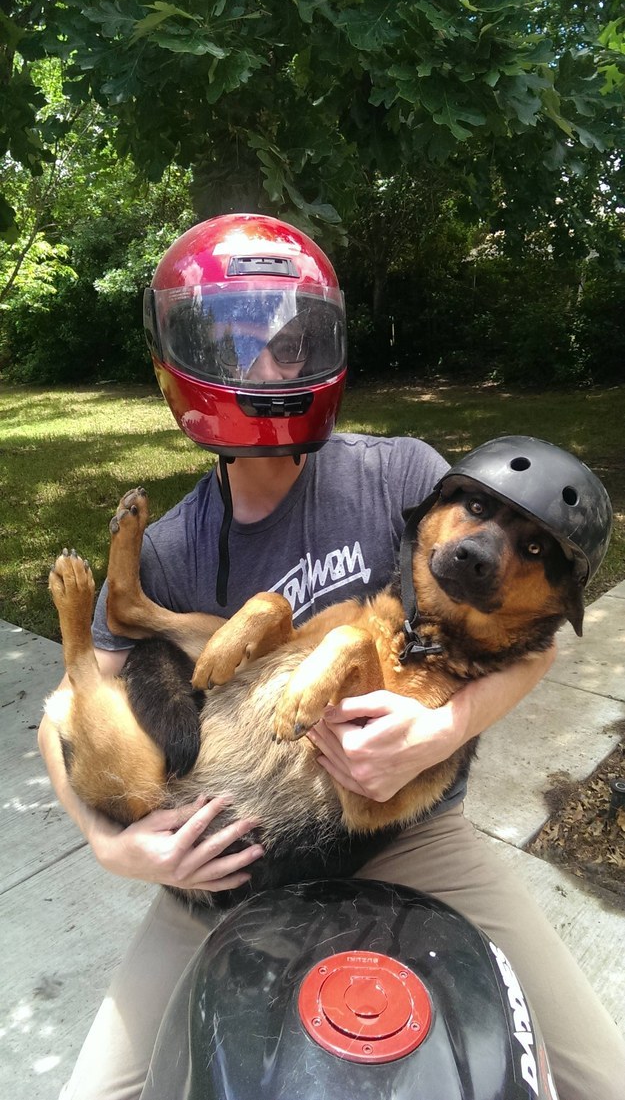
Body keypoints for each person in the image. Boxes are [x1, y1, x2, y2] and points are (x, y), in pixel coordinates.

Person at [38, 214, 624, 1100]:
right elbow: (66, 710)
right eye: (237, 345)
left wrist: (439, 733)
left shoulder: (405, 478)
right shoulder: (172, 546)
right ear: (182, 358)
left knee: (596, 1074)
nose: (270, 370)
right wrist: (110, 844)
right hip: (221, 857)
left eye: (292, 343)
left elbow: (529, 648)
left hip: (410, 837)